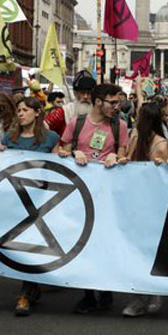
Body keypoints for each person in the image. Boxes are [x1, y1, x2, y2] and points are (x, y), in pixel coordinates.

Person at [57, 83, 129, 314]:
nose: (117, 107)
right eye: (112, 102)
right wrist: (72, 153)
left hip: (107, 195)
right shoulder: (76, 123)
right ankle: (87, 294)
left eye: (118, 103)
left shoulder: (121, 126)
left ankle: (106, 290)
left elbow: (125, 155)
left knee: (105, 243)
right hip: (80, 194)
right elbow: (60, 151)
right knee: (83, 242)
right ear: (98, 101)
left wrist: (116, 156)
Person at [0, 97, 61, 316]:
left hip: (43, 200)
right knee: (20, 246)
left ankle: (26, 292)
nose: (20, 114)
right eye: (18, 110)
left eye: (24, 110)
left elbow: (59, 168)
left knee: (33, 246)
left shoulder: (51, 138)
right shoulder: (10, 137)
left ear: (37, 112)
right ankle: (29, 288)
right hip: (17, 200)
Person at [120, 102, 168, 319]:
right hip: (135, 202)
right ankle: (142, 294)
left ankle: (148, 293)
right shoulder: (135, 138)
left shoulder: (160, 144)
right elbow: (130, 162)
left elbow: (162, 174)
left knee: (149, 250)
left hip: (153, 204)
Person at [45, 71, 97, 136]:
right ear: (77, 94)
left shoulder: (99, 112)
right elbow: (43, 127)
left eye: (89, 93)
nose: (85, 96)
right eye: (82, 93)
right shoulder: (64, 111)